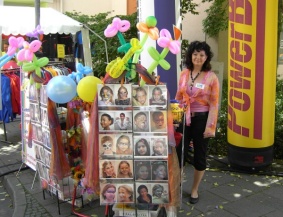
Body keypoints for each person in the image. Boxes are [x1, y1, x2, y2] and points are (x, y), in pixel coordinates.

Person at [175, 40, 219, 204]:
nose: (198, 57)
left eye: (201, 55)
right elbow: (179, 97)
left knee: (200, 157)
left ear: (206, 57)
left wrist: (211, 127)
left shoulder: (212, 77)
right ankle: (177, 185)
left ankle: (194, 189)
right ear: (190, 55)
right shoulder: (184, 74)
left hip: (202, 120)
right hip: (184, 119)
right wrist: (174, 118)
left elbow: (214, 104)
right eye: (195, 54)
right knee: (179, 154)